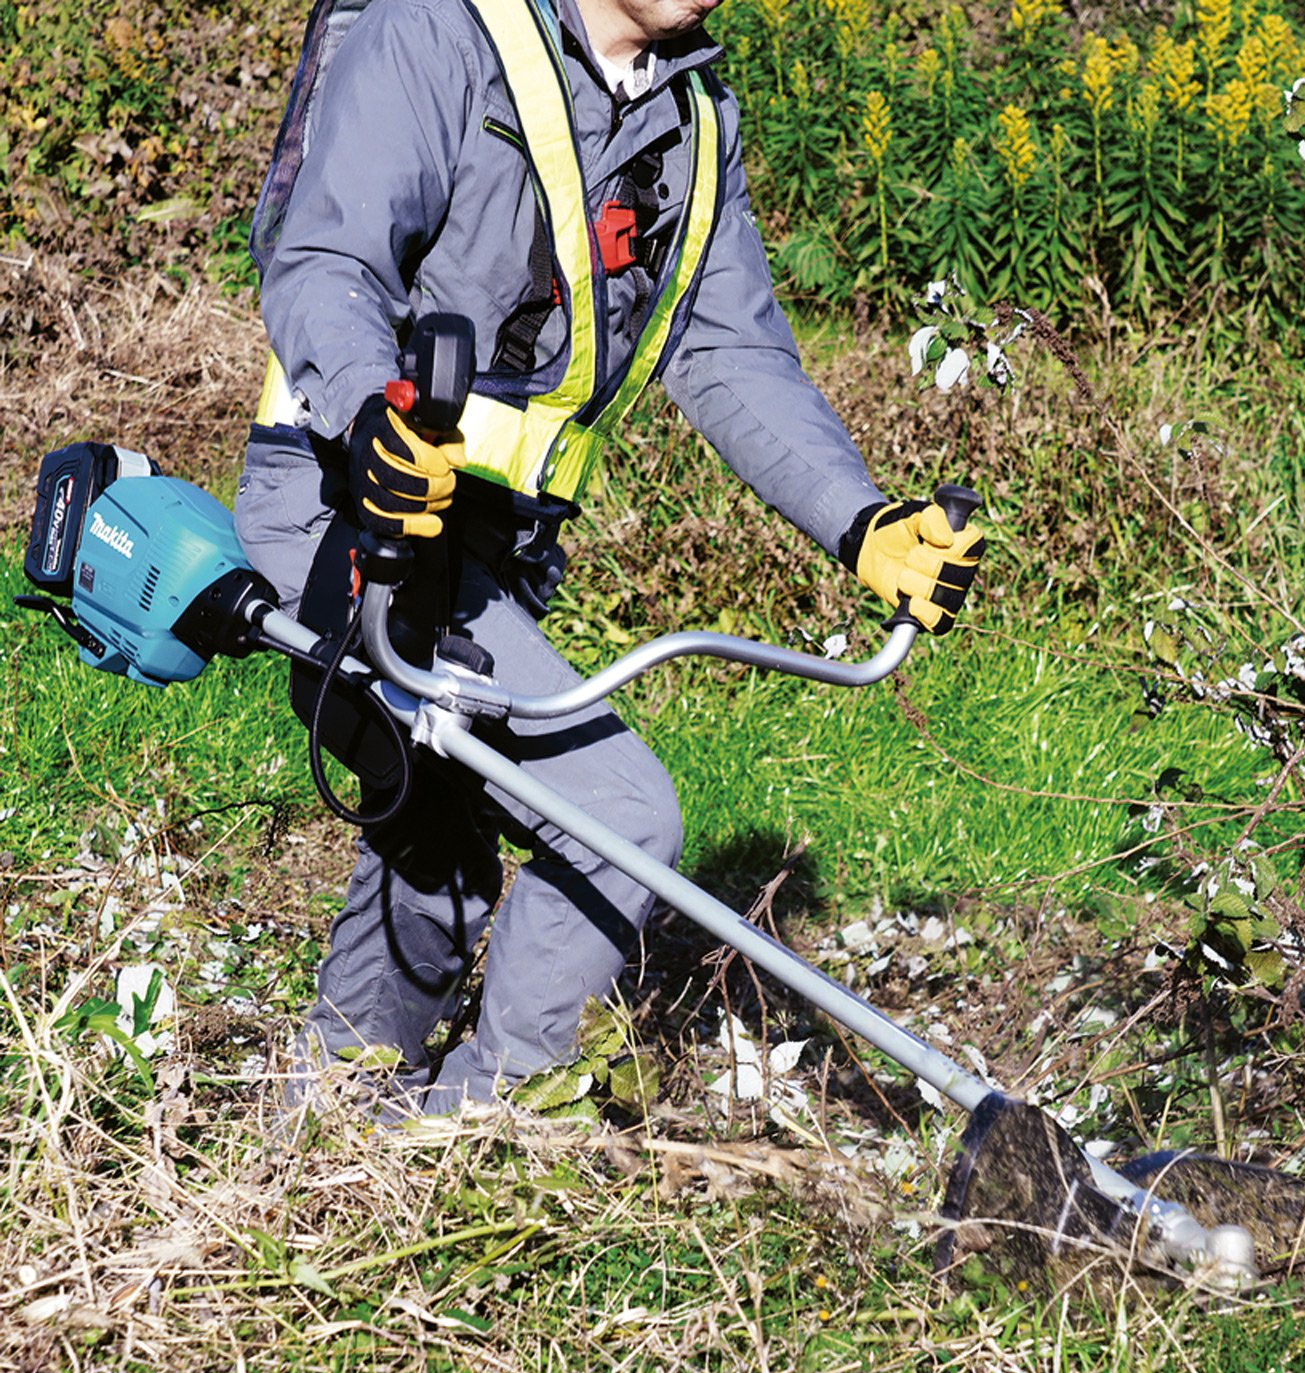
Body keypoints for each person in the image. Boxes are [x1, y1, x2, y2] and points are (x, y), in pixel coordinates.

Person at [234, 0, 986, 1117]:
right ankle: (486, 1136)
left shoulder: (691, 109)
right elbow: (327, 259)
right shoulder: (439, 32)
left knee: (434, 851)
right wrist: (369, 424)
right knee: (620, 816)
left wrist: (860, 520)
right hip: (351, 506)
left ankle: (314, 1138)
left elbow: (725, 346)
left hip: (490, 548)